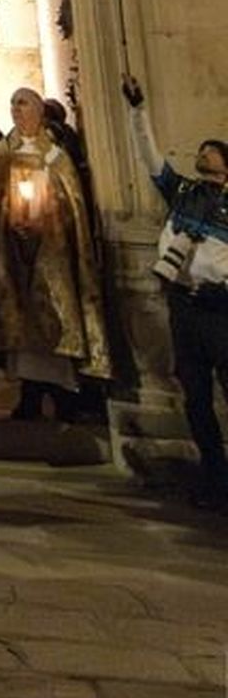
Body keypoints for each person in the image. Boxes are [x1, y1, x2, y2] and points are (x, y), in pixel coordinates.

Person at [0, 86, 111, 423]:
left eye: (22, 103)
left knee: (53, 317)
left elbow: (74, 208)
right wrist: (9, 217)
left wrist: (46, 217)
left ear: (39, 111)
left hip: (52, 252)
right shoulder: (1, 155)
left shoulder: (56, 158)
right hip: (11, 251)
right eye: (12, 104)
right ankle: (29, 395)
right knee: (20, 326)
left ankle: (63, 397)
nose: (16, 110)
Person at [122, 75, 228, 509]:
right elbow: (149, 156)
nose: (202, 153)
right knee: (196, 396)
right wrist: (137, 110)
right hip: (184, 306)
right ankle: (214, 475)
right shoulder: (183, 191)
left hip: (220, 307)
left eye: (210, 151)